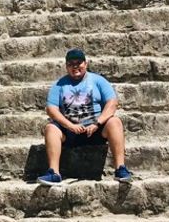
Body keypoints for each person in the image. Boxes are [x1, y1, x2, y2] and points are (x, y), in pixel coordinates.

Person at [36, 48, 130, 185]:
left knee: (115, 121)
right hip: (70, 131)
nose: (75, 67)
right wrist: (71, 126)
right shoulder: (59, 85)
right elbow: (51, 109)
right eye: (71, 64)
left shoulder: (98, 81)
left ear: (85, 64)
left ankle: (120, 168)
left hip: (95, 129)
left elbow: (112, 103)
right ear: (66, 66)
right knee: (50, 128)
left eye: (78, 63)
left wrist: (98, 123)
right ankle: (54, 172)